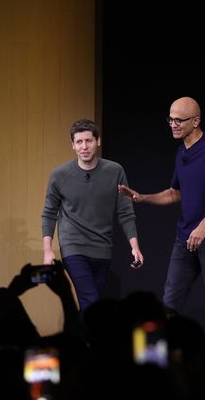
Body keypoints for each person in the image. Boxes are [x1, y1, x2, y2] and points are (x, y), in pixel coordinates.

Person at [118, 96, 205, 319]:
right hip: (185, 237)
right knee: (170, 303)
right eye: (170, 119)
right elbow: (174, 194)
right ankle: (166, 352)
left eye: (179, 120)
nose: (173, 124)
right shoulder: (181, 152)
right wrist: (141, 197)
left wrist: (204, 225)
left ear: (195, 121)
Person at [42, 118, 144, 313]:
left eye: (88, 140)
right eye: (79, 142)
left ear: (97, 141)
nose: (84, 146)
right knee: (91, 300)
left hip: (102, 248)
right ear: (72, 145)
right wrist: (48, 250)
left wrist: (134, 247)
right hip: (73, 247)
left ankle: (84, 341)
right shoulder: (60, 175)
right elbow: (49, 212)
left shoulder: (114, 171)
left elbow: (125, 211)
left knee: (93, 306)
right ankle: (93, 342)